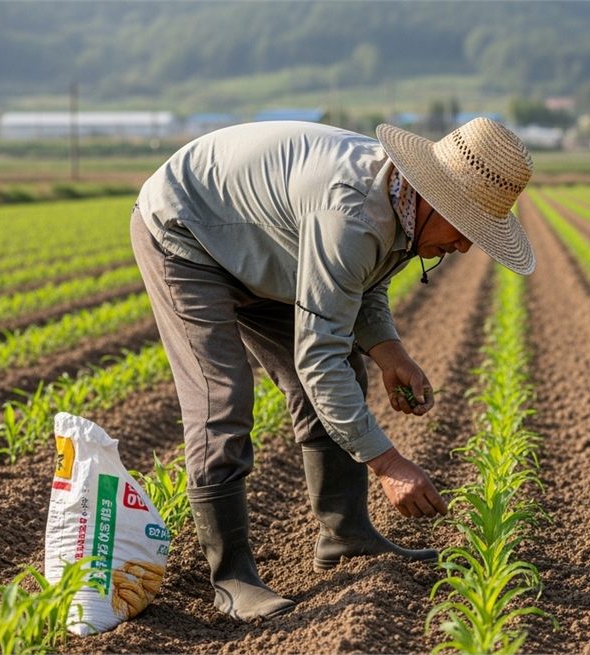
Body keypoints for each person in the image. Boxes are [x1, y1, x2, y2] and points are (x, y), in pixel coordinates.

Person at [129, 117, 535, 621]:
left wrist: (390, 353)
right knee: (223, 400)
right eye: (467, 228)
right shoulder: (354, 211)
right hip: (186, 230)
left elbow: (365, 283)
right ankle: (231, 579)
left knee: (344, 365)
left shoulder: (403, 204)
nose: (465, 246)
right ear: (437, 200)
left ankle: (345, 534)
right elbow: (317, 355)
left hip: (266, 244)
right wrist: (388, 463)